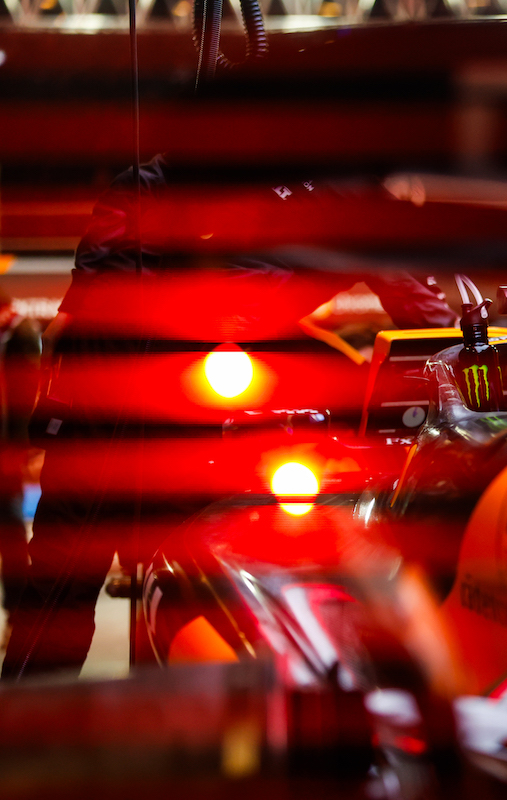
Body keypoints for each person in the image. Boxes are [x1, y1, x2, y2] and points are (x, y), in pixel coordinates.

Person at [1, 158, 455, 680]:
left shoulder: (360, 207)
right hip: (121, 406)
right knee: (74, 592)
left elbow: (430, 320)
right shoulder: (350, 199)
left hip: (193, 414)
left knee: (163, 587)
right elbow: (430, 320)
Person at [0, 293, 41, 641]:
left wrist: (22, 450)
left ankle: (19, 616)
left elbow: (25, 400)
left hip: (6, 455)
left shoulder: (20, 334)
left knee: (10, 534)